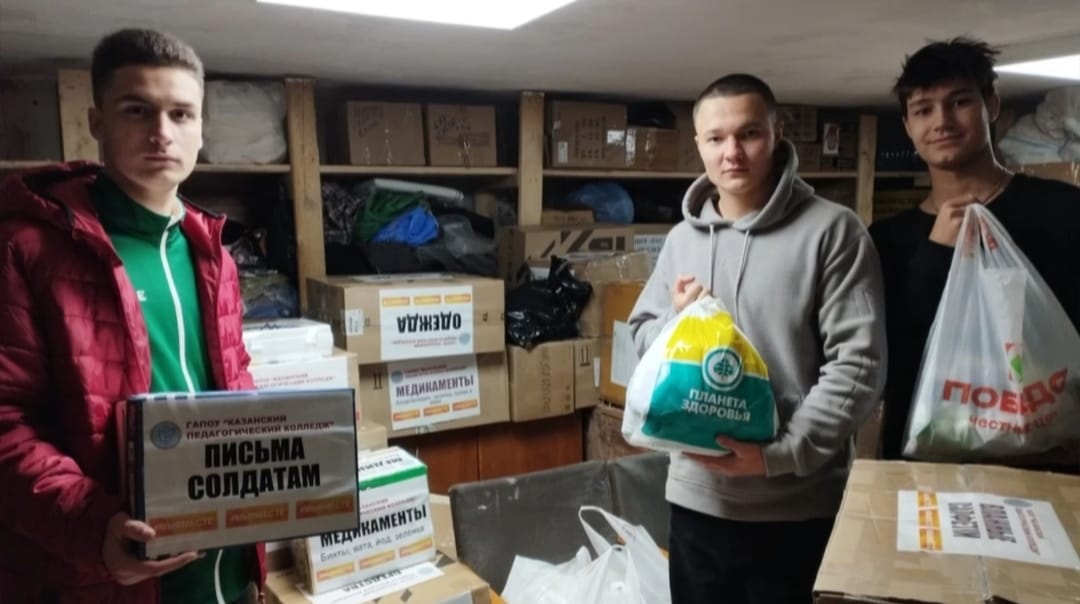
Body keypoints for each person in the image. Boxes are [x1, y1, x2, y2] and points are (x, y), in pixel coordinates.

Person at [0, 29, 264, 603]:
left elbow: (234, 381)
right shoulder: (28, 248)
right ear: (97, 122)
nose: (161, 132)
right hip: (111, 578)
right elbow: (7, 422)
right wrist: (93, 528)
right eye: (137, 110)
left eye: (181, 114)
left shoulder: (213, 252)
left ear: (200, 129)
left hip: (230, 577)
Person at [628, 74, 886, 604]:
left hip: (797, 508)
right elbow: (643, 334)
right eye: (716, 138)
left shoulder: (833, 232)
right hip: (697, 504)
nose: (732, 152)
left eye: (748, 134)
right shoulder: (681, 239)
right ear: (698, 144)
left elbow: (858, 365)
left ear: (776, 132)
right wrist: (680, 323)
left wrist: (780, 453)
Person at [870, 37, 1080, 469]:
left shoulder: (1064, 210)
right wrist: (935, 255)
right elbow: (885, 357)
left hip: (1052, 459)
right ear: (907, 126)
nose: (942, 121)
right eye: (923, 110)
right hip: (929, 465)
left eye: (959, 102)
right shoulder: (887, 239)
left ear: (992, 105)